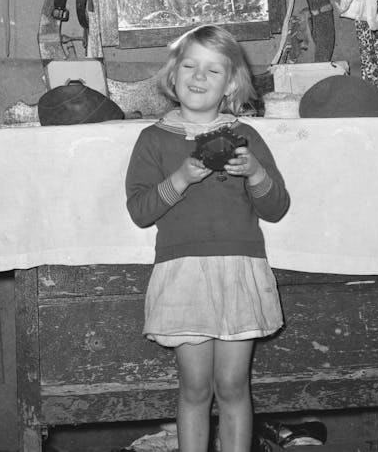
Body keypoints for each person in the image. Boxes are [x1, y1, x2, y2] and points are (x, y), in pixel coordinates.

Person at [125, 24, 290, 452]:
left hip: (238, 269)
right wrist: (180, 177)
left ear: (231, 83)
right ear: (173, 74)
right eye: (190, 66)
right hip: (184, 274)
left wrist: (254, 172)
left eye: (212, 70)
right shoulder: (153, 139)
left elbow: (276, 208)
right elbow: (140, 211)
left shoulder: (246, 139)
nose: (199, 77)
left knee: (233, 386)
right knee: (195, 389)